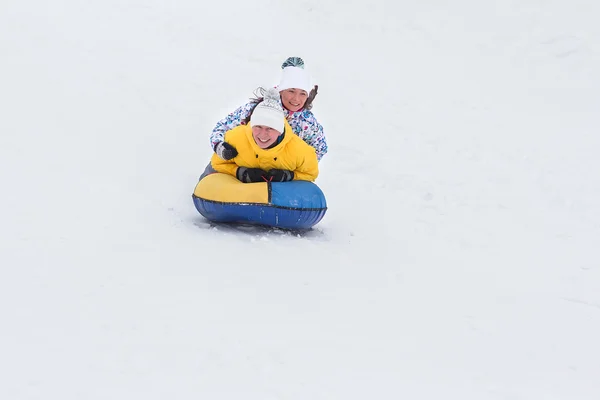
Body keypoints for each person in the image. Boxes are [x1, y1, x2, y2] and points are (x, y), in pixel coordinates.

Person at [210, 56, 328, 162]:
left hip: (280, 170)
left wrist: (294, 169)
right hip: (247, 163)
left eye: (302, 93)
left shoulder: (307, 122)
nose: (296, 99)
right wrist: (220, 147)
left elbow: (319, 149)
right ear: (281, 90)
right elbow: (222, 127)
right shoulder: (259, 109)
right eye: (291, 91)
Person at [209, 88, 319, 183]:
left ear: (279, 130)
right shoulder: (235, 139)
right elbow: (217, 163)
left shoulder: (299, 150)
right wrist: (239, 172)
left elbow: (311, 173)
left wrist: (290, 176)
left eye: (270, 128)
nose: (262, 134)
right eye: (258, 127)